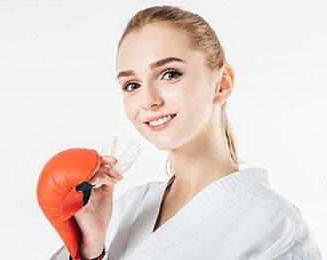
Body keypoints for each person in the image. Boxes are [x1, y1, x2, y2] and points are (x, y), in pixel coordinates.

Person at [49, 5, 323, 260]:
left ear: (222, 84)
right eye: (132, 85)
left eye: (170, 74)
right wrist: (88, 249)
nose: (149, 100)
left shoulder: (273, 225)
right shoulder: (127, 209)